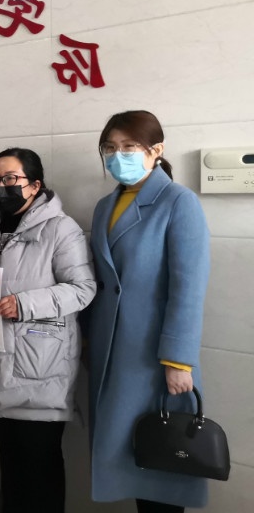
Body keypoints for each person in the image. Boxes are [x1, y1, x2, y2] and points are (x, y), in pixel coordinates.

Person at [0, 147, 95, 513]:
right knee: (10, 461)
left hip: (39, 368)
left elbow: (83, 289)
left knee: (40, 466)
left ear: (35, 185)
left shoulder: (61, 229)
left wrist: (26, 304)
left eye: (11, 178)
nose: (1, 186)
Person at [86, 110, 211, 512]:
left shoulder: (178, 202)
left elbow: (188, 288)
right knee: (128, 452)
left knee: (162, 458)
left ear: (156, 150)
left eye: (129, 147)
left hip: (154, 355)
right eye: (110, 148)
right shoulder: (105, 205)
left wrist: (178, 360)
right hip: (110, 349)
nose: (117, 155)